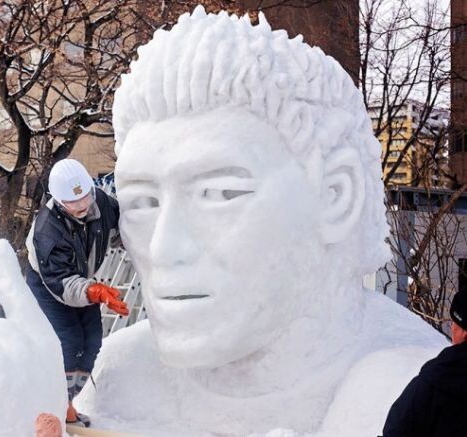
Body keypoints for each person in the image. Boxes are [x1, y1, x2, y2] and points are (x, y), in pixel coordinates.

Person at [75, 7, 446, 436]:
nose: (162, 248)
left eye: (219, 194)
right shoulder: (125, 375)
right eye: (143, 202)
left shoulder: (412, 391)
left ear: (335, 197)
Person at [26, 158, 129, 427]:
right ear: (59, 202)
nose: (83, 205)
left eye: (85, 196)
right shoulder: (47, 231)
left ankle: (69, 399)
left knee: (93, 339)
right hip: (50, 285)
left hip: (82, 280)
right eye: (74, 202)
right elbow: (61, 282)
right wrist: (94, 290)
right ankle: (58, 406)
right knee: (69, 342)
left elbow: (121, 228)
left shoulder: (102, 204)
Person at [382, 291, 467, 436]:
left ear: (464, 332)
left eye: (454, 323)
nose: (451, 328)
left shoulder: (437, 379)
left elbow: (397, 430)